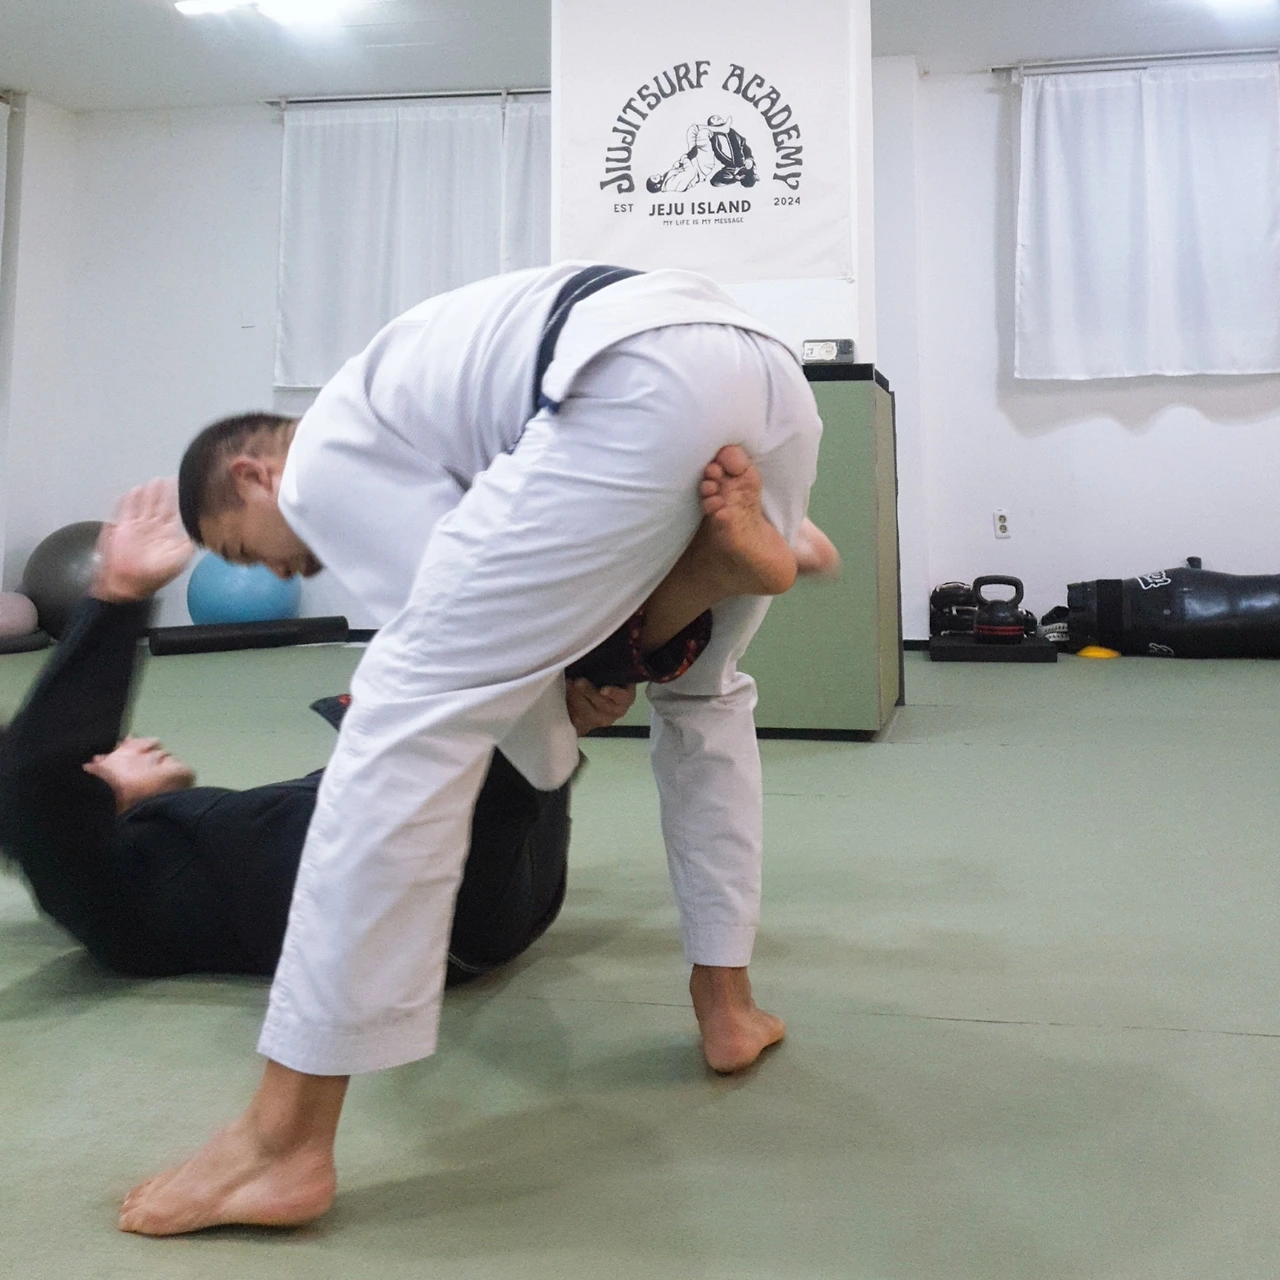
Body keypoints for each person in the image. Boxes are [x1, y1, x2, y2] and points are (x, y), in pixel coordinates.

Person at [121, 262, 834, 1235]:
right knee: (707, 701)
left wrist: (560, 725)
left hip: (635, 374)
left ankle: (283, 1142)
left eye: (248, 547)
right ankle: (728, 1004)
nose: (280, 568)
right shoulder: (425, 408)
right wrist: (567, 696)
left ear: (255, 476)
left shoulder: (322, 455)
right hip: (769, 387)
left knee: (402, 708)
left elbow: (471, 671)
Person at [0, 481, 628, 983]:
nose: (134, 742)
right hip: (438, 918)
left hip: (494, 890)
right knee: (476, 639)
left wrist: (563, 724)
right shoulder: (111, 897)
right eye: (109, 753)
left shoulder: (199, 837)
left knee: (530, 686)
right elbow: (37, 779)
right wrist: (116, 598)